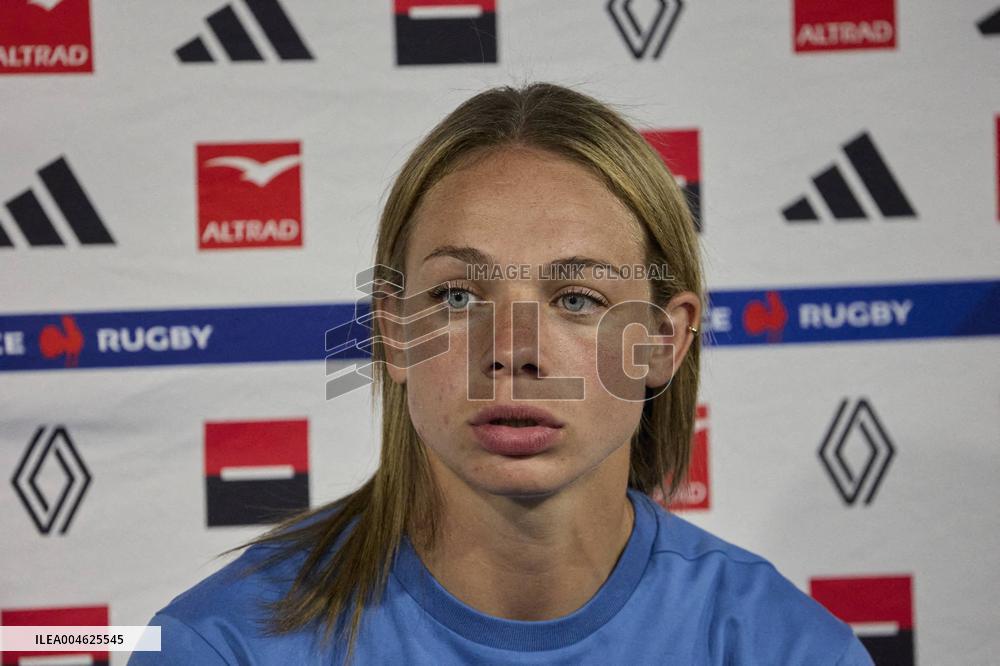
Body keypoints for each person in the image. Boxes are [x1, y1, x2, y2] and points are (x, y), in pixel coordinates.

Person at [128, 82, 874, 665]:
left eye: (577, 298)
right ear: (393, 332)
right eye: (457, 296)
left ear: (660, 342)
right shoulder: (223, 647)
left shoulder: (788, 650)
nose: (513, 350)